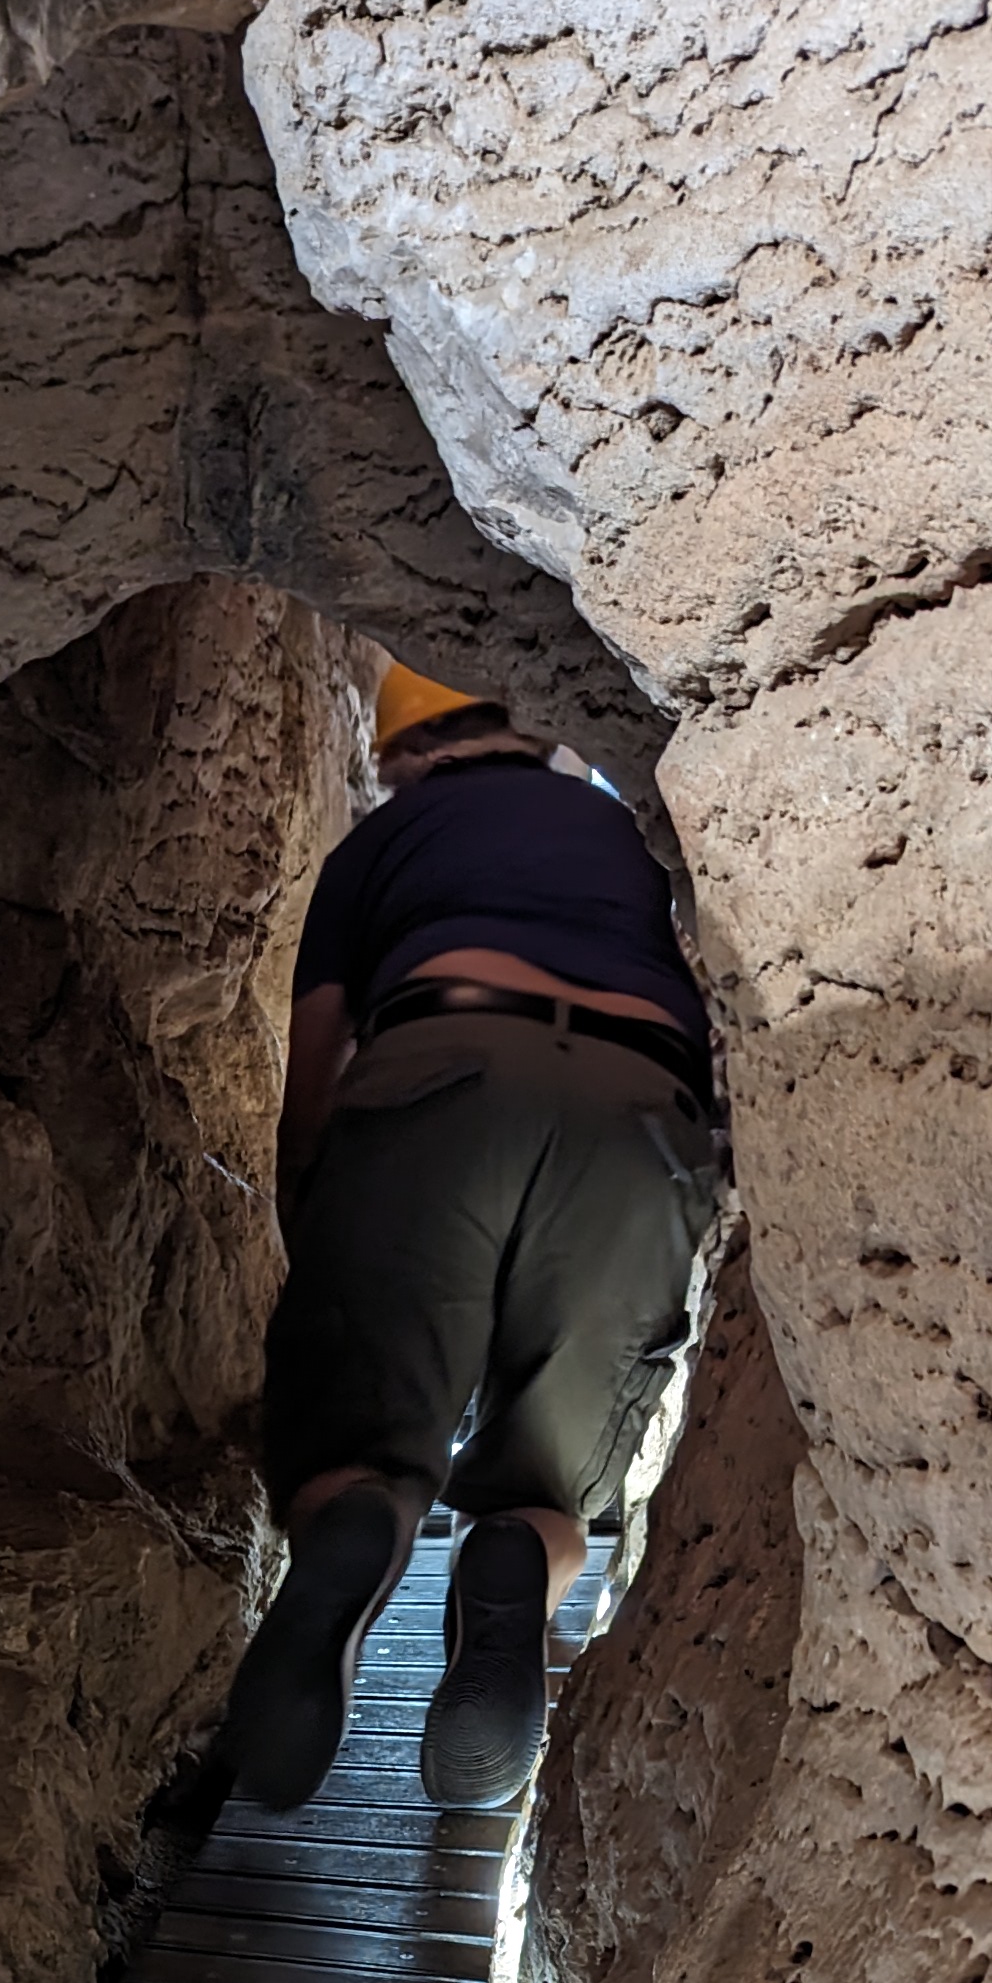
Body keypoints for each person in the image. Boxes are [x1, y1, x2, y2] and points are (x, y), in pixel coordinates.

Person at [222, 662, 716, 1812]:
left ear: (397, 758)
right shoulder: (619, 826)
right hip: (642, 1114)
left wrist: (328, 1231)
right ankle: (509, 1555)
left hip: (443, 1062)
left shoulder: (377, 847)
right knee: (550, 1484)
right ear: (529, 732)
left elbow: (315, 1070)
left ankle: (360, 1521)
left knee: (360, 1437)